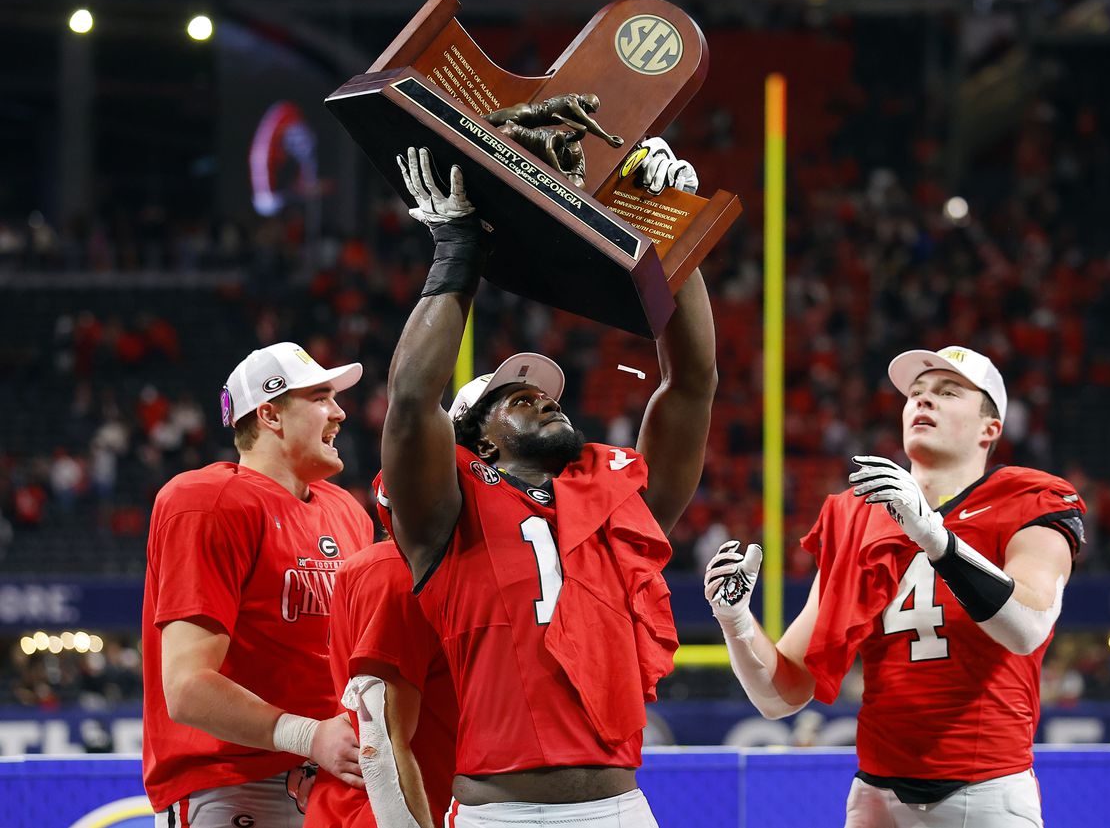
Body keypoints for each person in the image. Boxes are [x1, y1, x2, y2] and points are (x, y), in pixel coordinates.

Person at [376, 138, 714, 827]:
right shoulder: (447, 509)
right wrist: (459, 252)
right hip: (501, 814)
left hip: (620, 807)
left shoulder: (612, 499)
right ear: (476, 437)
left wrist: (671, 241)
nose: (543, 396)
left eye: (545, 392)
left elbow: (691, 386)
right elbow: (412, 399)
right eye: (516, 397)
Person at [705, 345, 1086, 828]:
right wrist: (736, 620)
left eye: (948, 393)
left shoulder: (1028, 499)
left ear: (991, 428)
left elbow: (1028, 626)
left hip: (985, 794)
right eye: (917, 393)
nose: (924, 401)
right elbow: (781, 696)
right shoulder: (857, 515)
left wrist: (935, 537)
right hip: (874, 798)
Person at [142, 342, 375, 825]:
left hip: (336, 779)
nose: (340, 413)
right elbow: (187, 688)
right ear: (270, 414)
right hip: (235, 783)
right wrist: (309, 735)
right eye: (321, 398)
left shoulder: (348, 511)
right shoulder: (206, 502)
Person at [304, 496, 458, 828]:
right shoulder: (396, 571)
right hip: (385, 814)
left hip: (432, 804)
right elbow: (381, 746)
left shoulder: (441, 572)